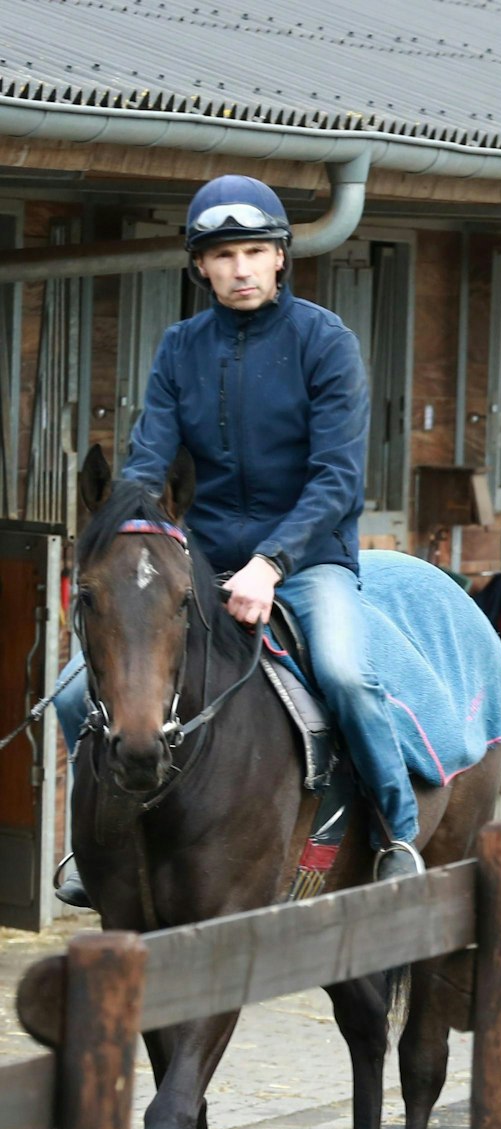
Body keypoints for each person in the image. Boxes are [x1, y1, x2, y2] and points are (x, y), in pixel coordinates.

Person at [52, 173, 416, 909]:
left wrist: (270, 564)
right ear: (201, 267)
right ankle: (91, 848)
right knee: (68, 694)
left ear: (281, 258)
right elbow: (150, 459)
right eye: (223, 255)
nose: (240, 268)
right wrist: (134, 525)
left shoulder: (325, 343)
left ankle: (395, 834)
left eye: (255, 251)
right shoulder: (181, 348)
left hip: (308, 561)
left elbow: (338, 478)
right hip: (202, 557)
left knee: (344, 673)